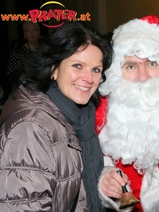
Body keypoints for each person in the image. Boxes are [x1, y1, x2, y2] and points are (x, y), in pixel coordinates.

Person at [0, 21, 113, 211]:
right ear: (53, 68)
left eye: (96, 69)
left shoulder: (80, 114)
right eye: (77, 65)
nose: (89, 79)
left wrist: (106, 178)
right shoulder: (32, 127)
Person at [96, 15, 159, 212]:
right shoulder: (100, 113)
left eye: (152, 64)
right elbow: (89, 165)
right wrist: (104, 180)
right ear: (117, 72)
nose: (142, 77)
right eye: (131, 66)